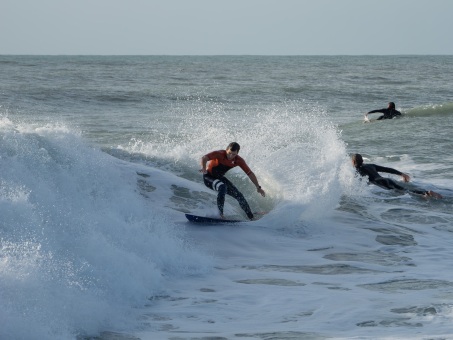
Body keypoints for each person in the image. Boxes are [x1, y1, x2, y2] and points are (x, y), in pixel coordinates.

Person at [200, 142, 266, 220]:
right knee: (222, 187)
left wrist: (258, 187)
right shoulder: (219, 154)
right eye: (229, 153)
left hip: (220, 178)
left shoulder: (238, 160)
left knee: (239, 195)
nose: (231, 156)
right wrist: (204, 168)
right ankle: (220, 214)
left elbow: (250, 173)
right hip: (209, 177)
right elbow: (204, 158)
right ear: (226, 150)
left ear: (237, 153)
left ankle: (251, 217)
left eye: (234, 154)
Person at [351, 153, 442, 198]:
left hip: (381, 183)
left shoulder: (356, 170)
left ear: (353, 162)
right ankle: (426, 193)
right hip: (386, 180)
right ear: (362, 160)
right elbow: (387, 169)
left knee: (404, 191)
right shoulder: (370, 166)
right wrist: (401, 174)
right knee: (404, 190)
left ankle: (426, 194)